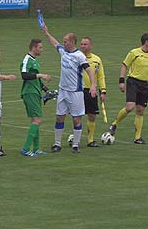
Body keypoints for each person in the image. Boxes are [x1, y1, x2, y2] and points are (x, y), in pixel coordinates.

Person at [42, 24, 97, 153]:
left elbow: (90, 71)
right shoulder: (63, 51)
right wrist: (46, 33)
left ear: (72, 42)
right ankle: (57, 144)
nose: (63, 43)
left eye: (65, 41)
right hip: (63, 91)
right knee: (59, 117)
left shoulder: (79, 56)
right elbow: (55, 43)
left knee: (76, 118)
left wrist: (93, 85)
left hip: (76, 93)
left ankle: (76, 145)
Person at [108, 33, 148, 144]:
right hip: (133, 82)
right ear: (146, 42)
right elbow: (124, 65)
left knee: (140, 110)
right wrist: (121, 81)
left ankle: (137, 137)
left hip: (144, 85)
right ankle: (115, 124)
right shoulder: (134, 53)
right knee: (130, 107)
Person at [20, 39, 51, 157]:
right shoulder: (27, 59)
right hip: (30, 93)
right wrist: (41, 75)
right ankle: (26, 149)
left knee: (36, 121)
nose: (41, 50)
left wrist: (46, 89)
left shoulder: (35, 60)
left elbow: (36, 80)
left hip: (36, 92)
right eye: (40, 47)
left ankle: (36, 149)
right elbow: (24, 75)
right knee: (37, 120)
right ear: (34, 48)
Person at [79, 37, 107, 147]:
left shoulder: (97, 60)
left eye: (85, 44)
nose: (82, 46)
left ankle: (90, 140)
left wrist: (103, 91)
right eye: (81, 44)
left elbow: (101, 76)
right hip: (79, 91)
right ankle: (77, 139)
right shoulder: (77, 58)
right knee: (77, 116)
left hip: (92, 90)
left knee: (92, 116)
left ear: (90, 46)